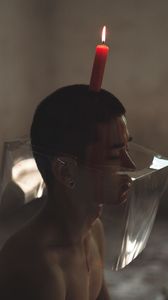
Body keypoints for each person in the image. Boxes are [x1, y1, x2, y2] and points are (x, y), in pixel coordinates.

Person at [0, 85, 135, 300]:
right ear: (65, 171)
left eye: (126, 150)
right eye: (113, 156)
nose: (131, 166)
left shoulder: (92, 231)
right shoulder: (41, 266)